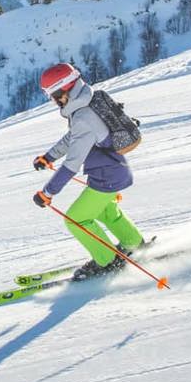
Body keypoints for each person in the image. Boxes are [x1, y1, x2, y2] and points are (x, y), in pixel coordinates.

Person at [31, 63, 146, 280]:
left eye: (52, 95)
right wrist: (49, 156)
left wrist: (48, 193)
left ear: (64, 90)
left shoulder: (83, 116)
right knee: (106, 212)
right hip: (115, 172)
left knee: (76, 219)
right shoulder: (85, 105)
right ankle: (134, 244)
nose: (53, 101)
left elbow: (72, 165)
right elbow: (73, 138)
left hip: (107, 178)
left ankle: (107, 261)